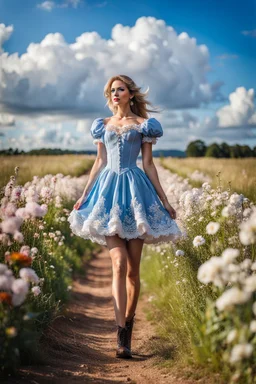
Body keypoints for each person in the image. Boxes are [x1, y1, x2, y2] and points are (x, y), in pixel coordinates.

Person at [68, 74, 183, 359]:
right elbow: (99, 162)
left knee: (133, 271)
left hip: (135, 194)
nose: (114, 93)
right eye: (111, 90)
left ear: (130, 94)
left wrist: (165, 201)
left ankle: (129, 323)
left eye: (120, 89)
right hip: (107, 195)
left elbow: (149, 165)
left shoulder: (145, 126)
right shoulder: (102, 125)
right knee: (118, 264)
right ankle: (121, 335)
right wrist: (84, 194)